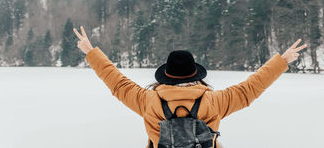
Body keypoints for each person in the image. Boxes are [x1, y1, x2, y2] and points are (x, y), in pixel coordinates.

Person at [73, 26, 307, 148]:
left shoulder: (148, 101)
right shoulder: (213, 102)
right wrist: (282, 60)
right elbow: (251, 88)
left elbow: (117, 82)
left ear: (166, 76)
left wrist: (91, 52)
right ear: (196, 75)